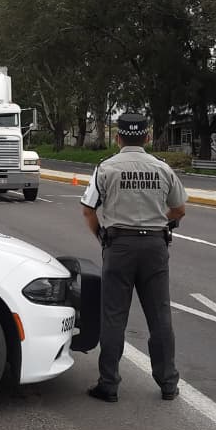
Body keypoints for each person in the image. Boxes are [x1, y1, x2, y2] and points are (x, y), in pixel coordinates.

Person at [79, 113, 187, 402]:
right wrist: (157, 221)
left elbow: (88, 210)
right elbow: (179, 210)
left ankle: (109, 384)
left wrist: (102, 236)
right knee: (160, 316)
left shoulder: (106, 168)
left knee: (114, 317)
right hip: (155, 247)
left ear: (118, 137)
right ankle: (168, 384)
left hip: (119, 246)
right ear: (148, 137)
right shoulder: (162, 168)